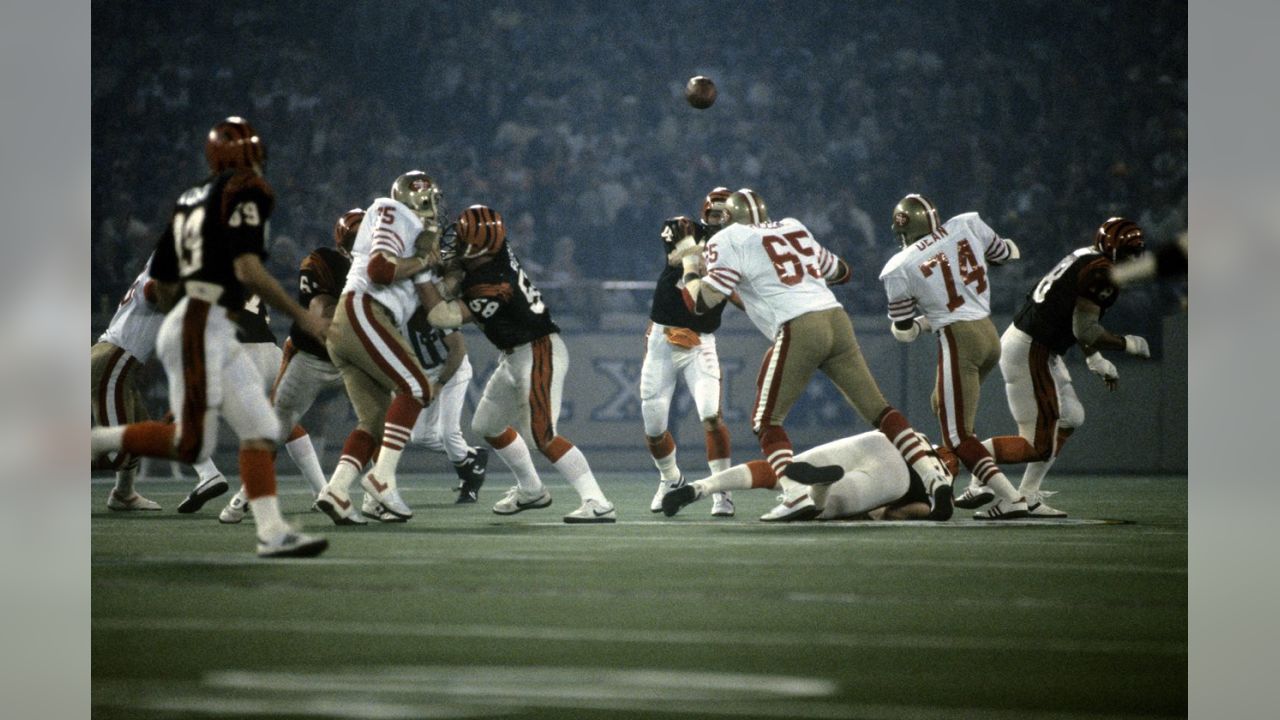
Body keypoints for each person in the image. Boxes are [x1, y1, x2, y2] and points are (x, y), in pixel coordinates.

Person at [90, 116, 329, 558]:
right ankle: (91, 441)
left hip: (200, 320)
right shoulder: (248, 192)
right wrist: (300, 314)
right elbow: (247, 269)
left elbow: (161, 280)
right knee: (190, 443)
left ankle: (272, 532)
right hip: (202, 325)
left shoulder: (188, 200)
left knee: (260, 427)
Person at [682, 188, 953, 522]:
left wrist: (690, 269)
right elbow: (841, 271)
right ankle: (932, 476)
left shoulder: (728, 239)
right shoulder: (793, 226)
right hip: (836, 319)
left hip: (799, 325)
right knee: (880, 410)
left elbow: (702, 302)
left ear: (729, 219)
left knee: (766, 421)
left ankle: (795, 495)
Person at [426, 204, 617, 523]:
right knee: (486, 425)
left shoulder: (492, 280)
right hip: (515, 355)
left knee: (543, 434)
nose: (456, 242)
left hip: (538, 350)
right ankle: (531, 489)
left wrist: (425, 278)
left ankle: (597, 501)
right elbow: (462, 267)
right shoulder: (492, 257)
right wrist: (450, 267)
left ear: (479, 245)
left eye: (462, 237)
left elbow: (441, 316)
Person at [955, 217, 1153, 518]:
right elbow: (1086, 329)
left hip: (1039, 347)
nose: (1133, 260)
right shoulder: (1100, 272)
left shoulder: (1087, 257)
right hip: (1032, 348)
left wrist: (1093, 359)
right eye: (1128, 253)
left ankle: (1028, 495)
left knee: (1072, 416)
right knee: (1037, 445)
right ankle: (979, 477)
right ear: (1112, 250)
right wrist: (1127, 344)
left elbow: (1077, 317)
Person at [878, 194, 1028, 520]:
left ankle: (1010, 497)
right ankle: (960, 481)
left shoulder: (900, 266)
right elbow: (1005, 253)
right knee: (941, 405)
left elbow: (903, 329)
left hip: (959, 339)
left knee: (959, 434)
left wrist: (917, 324)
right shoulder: (966, 224)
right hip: (988, 334)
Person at [314, 171, 450, 525]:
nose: (435, 208)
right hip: (364, 309)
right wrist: (424, 261)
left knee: (373, 421)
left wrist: (450, 273)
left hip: (355, 322)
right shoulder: (393, 211)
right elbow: (379, 269)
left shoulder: (414, 236)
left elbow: (432, 305)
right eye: (431, 200)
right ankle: (381, 477)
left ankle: (337, 491)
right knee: (417, 386)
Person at [218, 208, 361, 523]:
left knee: (382, 417)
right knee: (276, 427)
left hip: (350, 357)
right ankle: (243, 496)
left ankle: (343, 492)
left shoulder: (382, 270)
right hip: (309, 357)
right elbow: (319, 310)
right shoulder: (325, 262)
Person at [91, 253, 227, 511]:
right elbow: (156, 290)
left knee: (141, 434)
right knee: (117, 452)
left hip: (121, 363)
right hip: (113, 360)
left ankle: (123, 493)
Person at [640, 187, 738, 518]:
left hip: (701, 341)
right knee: (654, 428)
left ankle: (721, 491)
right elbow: (676, 256)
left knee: (711, 415)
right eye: (715, 215)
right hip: (663, 339)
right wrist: (711, 252)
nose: (721, 222)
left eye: (728, 216)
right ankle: (670, 479)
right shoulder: (684, 228)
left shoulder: (741, 248)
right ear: (704, 214)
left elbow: (742, 294)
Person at [360, 307, 489, 521]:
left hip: (451, 371)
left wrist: (438, 384)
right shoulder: (394, 315)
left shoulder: (435, 307)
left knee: (448, 434)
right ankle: (471, 456)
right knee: (420, 437)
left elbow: (458, 351)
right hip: (420, 375)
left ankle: (469, 472)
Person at [661, 431, 935, 521]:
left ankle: (701, 487)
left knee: (781, 470)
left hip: (881, 440)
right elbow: (903, 512)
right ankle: (821, 486)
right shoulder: (940, 478)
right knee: (822, 508)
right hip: (900, 478)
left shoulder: (924, 439)